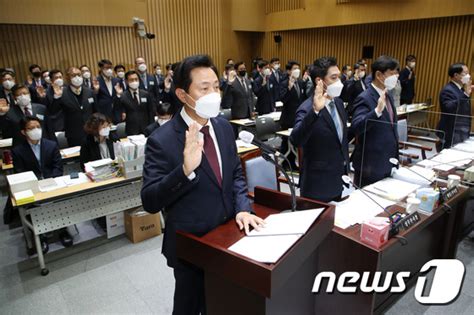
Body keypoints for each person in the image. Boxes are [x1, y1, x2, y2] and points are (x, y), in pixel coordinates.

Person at [141, 54, 264, 315]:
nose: (214, 94)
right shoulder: (161, 140)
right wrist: (185, 170)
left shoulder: (223, 127)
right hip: (192, 248)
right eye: (204, 88)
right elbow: (150, 201)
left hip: (229, 237)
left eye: (216, 87)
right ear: (183, 95)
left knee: (223, 304)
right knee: (190, 307)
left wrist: (243, 207)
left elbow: (235, 176)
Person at [290, 57, 349, 202]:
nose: (339, 82)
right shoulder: (307, 108)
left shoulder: (339, 103)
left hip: (337, 178)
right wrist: (315, 111)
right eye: (333, 78)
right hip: (317, 185)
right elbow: (295, 139)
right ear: (319, 81)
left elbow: (340, 138)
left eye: (339, 77)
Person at [12, 116, 73, 248]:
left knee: (60, 202)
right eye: (31, 128)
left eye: (38, 127)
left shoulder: (51, 145)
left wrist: (49, 181)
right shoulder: (18, 151)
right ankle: (40, 235)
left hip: (52, 183)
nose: (35, 130)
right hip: (33, 187)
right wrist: (36, 185)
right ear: (23, 132)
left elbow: (58, 167)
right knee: (32, 207)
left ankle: (63, 230)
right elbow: (20, 173)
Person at [351, 55, 400, 187]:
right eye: (392, 73)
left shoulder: (387, 94)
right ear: (379, 75)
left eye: (397, 73)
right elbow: (356, 127)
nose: (396, 77)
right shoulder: (365, 97)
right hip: (370, 164)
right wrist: (376, 112)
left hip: (387, 159)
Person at [50, 67, 97, 146]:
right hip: (74, 134)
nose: (77, 78)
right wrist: (57, 97)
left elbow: (95, 111)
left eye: (79, 75)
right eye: (74, 75)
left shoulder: (89, 92)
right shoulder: (62, 93)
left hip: (91, 132)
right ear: (67, 78)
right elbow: (53, 111)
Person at [437, 62, 472, 150]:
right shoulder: (448, 90)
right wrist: (466, 94)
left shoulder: (460, 89)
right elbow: (449, 108)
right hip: (450, 131)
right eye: (465, 73)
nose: (468, 76)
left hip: (460, 129)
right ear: (456, 75)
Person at [113, 70, 155, 135]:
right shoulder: (123, 95)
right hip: (131, 129)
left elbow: (151, 111)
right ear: (127, 81)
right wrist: (118, 95)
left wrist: (152, 127)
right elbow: (117, 109)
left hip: (146, 128)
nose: (134, 82)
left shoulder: (145, 94)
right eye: (131, 80)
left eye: (136, 79)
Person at [279, 60, 307, 130]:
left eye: (298, 68)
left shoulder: (300, 82)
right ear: (289, 71)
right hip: (288, 118)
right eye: (295, 69)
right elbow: (283, 100)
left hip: (299, 117)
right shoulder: (284, 83)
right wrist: (290, 88)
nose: (297, 70)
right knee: (286, 140)